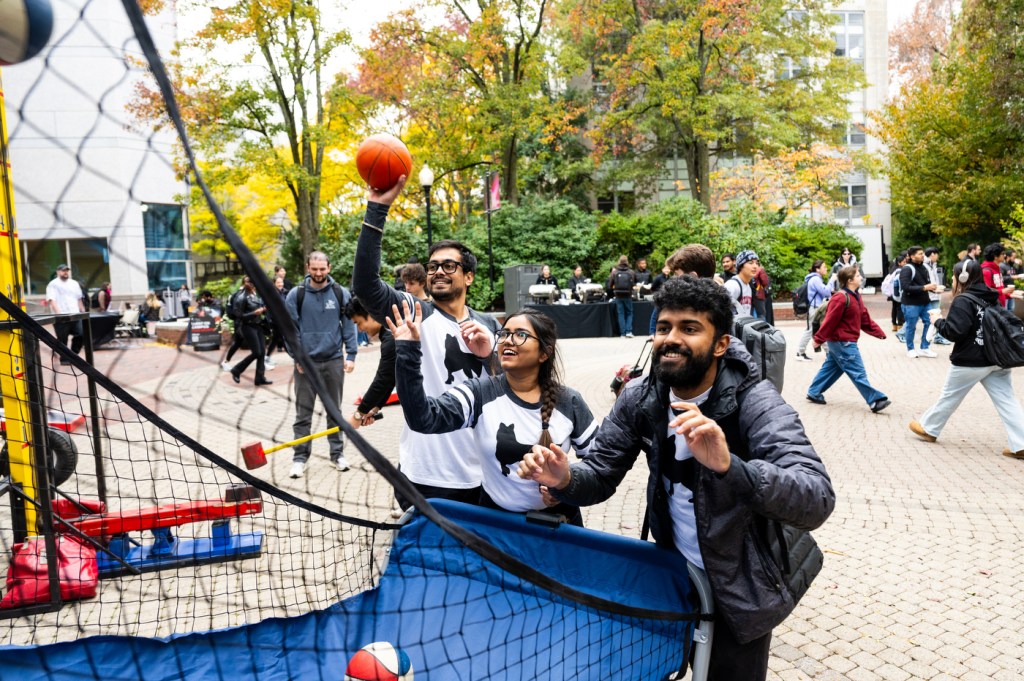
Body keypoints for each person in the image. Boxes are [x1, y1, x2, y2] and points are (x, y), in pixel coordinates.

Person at [518, 276, 834, 680]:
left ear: (720, 344)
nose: (671, 338)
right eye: (663, 327)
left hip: (742, 585)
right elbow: (600, 473)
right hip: (670, 576)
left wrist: (730, 466)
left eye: (689, 329)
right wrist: (565, 478)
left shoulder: (755, 401)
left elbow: (816, 496)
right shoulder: (641, 395)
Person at [353, 176, 500, 508]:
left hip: (483, 476)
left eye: (449, 265)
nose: (438, 272)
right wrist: (377, 209)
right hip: (426, 476)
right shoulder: (413, 312)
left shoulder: (490, 325)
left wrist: (491, 353)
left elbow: (512, 384)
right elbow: (365, 284)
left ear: (469, 276)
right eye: (433, 266)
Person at [391, 305, 597, 524]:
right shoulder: (480, 393)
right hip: (497, 528)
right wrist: (408, 351)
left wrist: (565, 483)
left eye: (520, 335)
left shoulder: (569, 402)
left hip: (558, 527)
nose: (508, 340)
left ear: (544, 353)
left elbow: (599, 466)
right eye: (505, 333)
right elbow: (422, 418)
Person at [908, 259, 1024, 459]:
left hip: (971, 360)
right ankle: (1021, 443)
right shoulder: (991, 296)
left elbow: (955, 332)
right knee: (1007, 401)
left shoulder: (963, 300)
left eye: (954, 276)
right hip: (997, 359)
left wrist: (937, 321)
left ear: (962, 277)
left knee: (949, 395)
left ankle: (929, 428)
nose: (952, 279)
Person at [284, 251, 359, 477]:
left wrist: (352, 354)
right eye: (314, 269)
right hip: (306, 366)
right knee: (303, 413)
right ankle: (299, 458)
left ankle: (337, 455)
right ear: (308, 267)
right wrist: (298, 357)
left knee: (334, 412)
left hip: (334, 361)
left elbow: (349, 325)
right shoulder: (295, 295)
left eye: (322, 269)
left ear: (329, 267)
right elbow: (290, 330)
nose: (318, 273)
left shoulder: (339, 293)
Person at [806, 265, 890, 412]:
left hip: (843, 342)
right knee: (858, 372)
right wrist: (818, 338)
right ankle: (875, 400)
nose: (861, 278)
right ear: (850, 280)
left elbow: (864, 318)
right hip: (842, 342)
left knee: (833, 368)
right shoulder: (840, 297)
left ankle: (814, 392)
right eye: (858, 276)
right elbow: (830, 321)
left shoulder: (856, 296)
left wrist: (879, 332)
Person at [345, 296, 394, 430]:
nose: (360, 329)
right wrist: (375, 407)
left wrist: (358, 414)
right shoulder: (389, 333)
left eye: (359, 323)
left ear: (372, 315)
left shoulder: (391, 338)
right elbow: (391, 377)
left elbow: (383, 379)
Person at [228, 276, 273, 387]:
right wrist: (254, 313)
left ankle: (259, 377)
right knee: (257, 352)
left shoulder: (255, 294)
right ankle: (236, 370)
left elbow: (258, 307)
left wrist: (263, 309)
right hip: (247, 327)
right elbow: (238, 316)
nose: (251, 283)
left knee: (262, 352)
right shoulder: (241, 297)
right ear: (244, 283)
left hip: (258, 326)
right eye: (248, 281)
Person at [899, 246, 938, 358]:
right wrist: (925, 287)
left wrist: (934, 288)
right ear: (912, 256)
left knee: (930, 323)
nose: (922, 255)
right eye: (920, 253)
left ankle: (924, 348)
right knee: (911, 326)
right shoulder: (907, 269)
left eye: (922, 253)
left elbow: (925, 285)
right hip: (911, 303)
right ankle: (910, 349)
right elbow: (906, 287)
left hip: (925, 302)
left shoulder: (924, 267)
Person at [46, 264, 86, 364]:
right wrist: (59, 314)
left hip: (75, 314)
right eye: (63, 270)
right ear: (58, 272)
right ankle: (64, 359)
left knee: (80, 334)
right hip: (61, 316)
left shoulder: (74, 283)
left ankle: (74, 355)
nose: (65, 272)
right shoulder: (53, 284)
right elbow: (52, 300)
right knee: (62, 339)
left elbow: (79, 298)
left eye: (67, 270)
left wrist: (82, 311)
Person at [795, 259, 831, 361]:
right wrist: (832, 280)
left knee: (817, 330)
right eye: (824, 267)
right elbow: (826, 292)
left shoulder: (816, 279)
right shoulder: (815, 279)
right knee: (812, 330)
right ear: (818, 269)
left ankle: (828, 352)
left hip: (815, 308)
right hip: (815, 309)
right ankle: (800, 353)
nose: (826, 269)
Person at [923, 247, 951, 345]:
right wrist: (936, 289)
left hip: (933, 294)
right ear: (933, 254)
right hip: (930, 294)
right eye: (937, 255)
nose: (938, 257)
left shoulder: (931, 264)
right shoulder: (925, 265)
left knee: (931, 316)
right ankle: (939, 337)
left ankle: (938, 336)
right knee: (936, 316)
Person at [723, 250, 759, 316]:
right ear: (741, 266)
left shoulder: (748, 286)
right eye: (751, 263)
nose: (755, 266)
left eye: (757, 263)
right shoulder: (732, 285)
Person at [607, 255, 636, 338]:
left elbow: (610, 284)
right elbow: (633, 283)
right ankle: (629, 332)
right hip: (628, 295)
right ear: (627, 261)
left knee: (621, 314)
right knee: (629, 313)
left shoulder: (614, 272)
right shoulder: (631, 272)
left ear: (619, 261)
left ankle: (622, 333)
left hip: (618, 295)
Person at [980, 243, 1015, 309]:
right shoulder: (986, 271)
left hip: (1000, 307)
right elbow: (986, 292)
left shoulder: (997, 268)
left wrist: (1010, 294)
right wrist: (1003, 291)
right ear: (995, 256)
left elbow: (999, 289)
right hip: (993, 309)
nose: (1004, 255)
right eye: (1002, 253)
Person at [888, 252, 908, 338]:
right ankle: (900, 325)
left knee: (894, 308)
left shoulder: (893, 269)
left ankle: (894, 325)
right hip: (898, 294)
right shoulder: (900, 270)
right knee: (899, 309)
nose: (905, 263)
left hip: (892, 293)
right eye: (904, 262)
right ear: (899, 263)